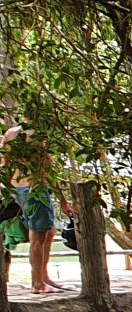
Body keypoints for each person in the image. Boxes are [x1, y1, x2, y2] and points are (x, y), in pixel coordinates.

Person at [2, 123, 69, 294]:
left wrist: (9, 191)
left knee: (50, 231)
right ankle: (37, 283)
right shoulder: (37, 134)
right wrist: (62, 199)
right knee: (38, 236)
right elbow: (47, 167)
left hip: (18, 189)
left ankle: (43, 276)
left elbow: (5, 165)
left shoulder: (10, 134)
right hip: (34, 188)